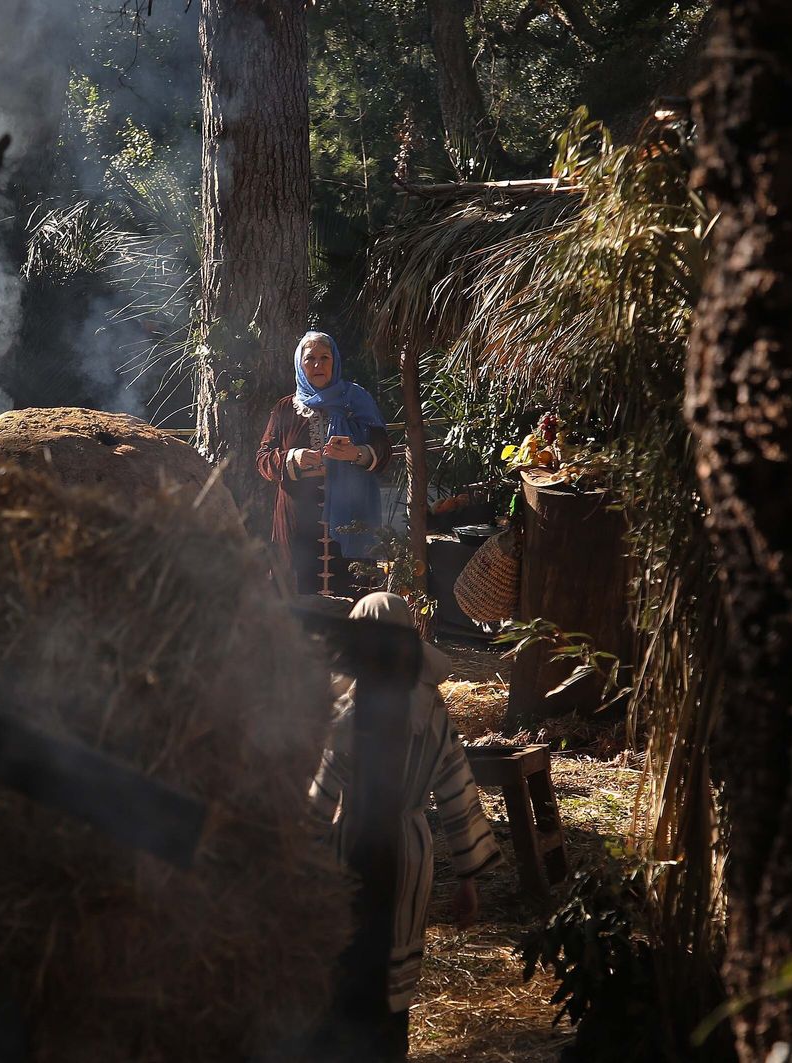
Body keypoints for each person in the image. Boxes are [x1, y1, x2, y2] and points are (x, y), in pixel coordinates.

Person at [309, 592, 504, 1053]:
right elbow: (458, 791)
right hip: (411, 856)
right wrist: (467, 880)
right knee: (393, 983)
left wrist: (293, 856)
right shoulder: (433, 711)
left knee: (347, 968)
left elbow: (320, 800)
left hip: (349, 846)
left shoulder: (346, 714)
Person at [256, 331, 392, 597]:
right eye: (310, 359)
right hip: (298, 520)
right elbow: (262, 458)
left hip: (351, 515)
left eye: (324, 358)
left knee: (351, 589)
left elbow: (384, 451)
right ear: (300, 364)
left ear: (335, 361)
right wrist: (292, 458)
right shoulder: (286, 408)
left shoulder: (357, 401)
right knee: (300, 595)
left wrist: (356, 453)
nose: (317, 365)